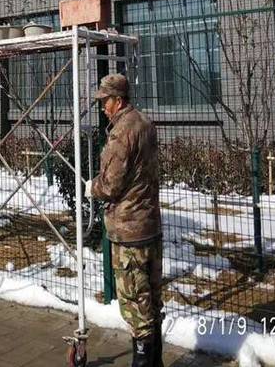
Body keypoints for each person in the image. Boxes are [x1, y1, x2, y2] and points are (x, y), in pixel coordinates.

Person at [85, 74, 163, 367]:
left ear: (118, 100)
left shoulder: (121, 133)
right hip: (150, 225)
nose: (102, 107)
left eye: (105, 101)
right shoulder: (145, 123)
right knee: (152, 301)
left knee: (134, 307)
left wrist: (91, 187)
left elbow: (111, 185)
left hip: (129, 233)